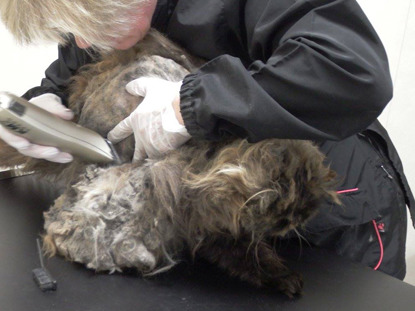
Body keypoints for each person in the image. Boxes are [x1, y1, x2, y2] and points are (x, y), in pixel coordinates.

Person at [0, 0, 413, 280]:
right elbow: (69, 68)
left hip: (322, 205)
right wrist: (42, 106)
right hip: (210, 218)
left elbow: (351, 71)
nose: (83, 43)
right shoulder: (103, 15)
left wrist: (191, 104)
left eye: (87, 26)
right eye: (73, 31)